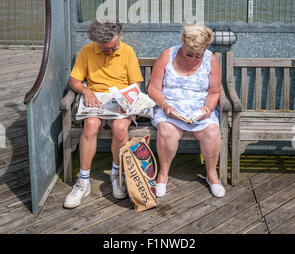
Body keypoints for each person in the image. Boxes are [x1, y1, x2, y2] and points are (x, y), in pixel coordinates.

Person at [63, 20, 143, 208]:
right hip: (95, 98)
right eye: (106, 49)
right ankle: (83, 181)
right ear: (97, 43)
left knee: (120, 128)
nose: (112, 51)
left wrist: (127, 101)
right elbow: (74, 80)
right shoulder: (87, 50)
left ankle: (116, 174)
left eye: (114, 46)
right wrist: (86, 91)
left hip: (120, 100)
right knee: (91, 126)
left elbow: (135, 84)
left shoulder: (127, 51)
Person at [148, 22, 225, 198]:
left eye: (198, 56)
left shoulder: (210, 58)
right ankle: (163, 174)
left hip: (199, 109)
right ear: (182, 42)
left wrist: (208, 108)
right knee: (167, 131)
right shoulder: (168, 55)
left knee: (212, 131)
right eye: (189, 54)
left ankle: (212, 174)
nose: (192, 59)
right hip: (170, 108)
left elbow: (214, 91)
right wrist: (165, 106)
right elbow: (153, 89)